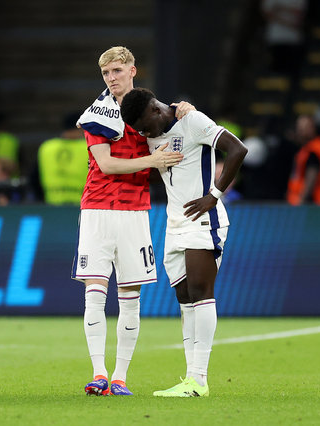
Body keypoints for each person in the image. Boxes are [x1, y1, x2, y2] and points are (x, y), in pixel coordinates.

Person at [71, 46, 189, 397]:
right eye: (107, 73)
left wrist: (187, 109)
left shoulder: (147, 110)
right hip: (97, 209)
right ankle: (98, 373)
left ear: (133, 71)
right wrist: (153, 161)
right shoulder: (98, 113)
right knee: (94, 293)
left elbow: (177, 119)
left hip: (135, 212)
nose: (112, 78)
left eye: (118, 71)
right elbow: (106, 165)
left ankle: (120, 377)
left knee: (130, 297)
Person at [120, 88, 248, 397]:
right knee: (185, 296)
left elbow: (238, 150)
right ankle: (190, 379)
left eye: (144, 127)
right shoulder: (154, 128)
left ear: (155, 110)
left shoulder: (191, 120)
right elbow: (159, 173)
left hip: (203, 219)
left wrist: (214, 196)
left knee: (201, 292)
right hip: (174, 222)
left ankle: (199, 380)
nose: (144, 133)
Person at [35, 113, 88, 205]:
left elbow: (35, 176)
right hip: (83, 205)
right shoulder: (89, 147)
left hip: (51, 203)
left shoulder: (47, 147)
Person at [287, 115, 320, 205]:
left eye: (305, 127)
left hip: (318, 204)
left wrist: (301, 200)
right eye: (299, 128)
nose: (301, 131)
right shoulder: (305, 149)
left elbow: (312, 177)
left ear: (313, 128)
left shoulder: (315, 150)